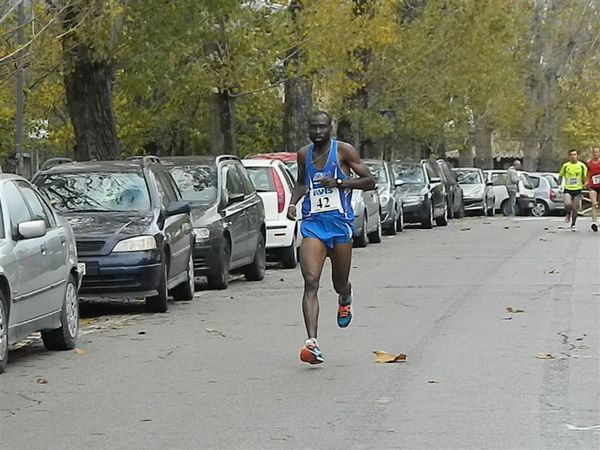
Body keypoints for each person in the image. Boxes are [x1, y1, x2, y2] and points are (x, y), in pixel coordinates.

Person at [287, 110, 375, 364]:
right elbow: (302, 183)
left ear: (330, 128)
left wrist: (339, 183)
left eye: (322, 127)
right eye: (313, 127)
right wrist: (293, 203)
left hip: (339, 226)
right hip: (313, 224)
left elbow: (370, 181)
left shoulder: (343, 151)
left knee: (339, 282)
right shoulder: (304, 154)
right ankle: (311, 343)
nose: (317, 132)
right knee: (311, 280)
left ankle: (345, 296)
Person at [558, 149, 588, 230]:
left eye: (574, 154)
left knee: (575, 208)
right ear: (569, 156)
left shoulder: (582, 166)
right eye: (571, 155)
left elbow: (585, 177)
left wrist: (585, 183)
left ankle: (573, 223)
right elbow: (560, 176)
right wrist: (559, 185)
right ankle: (567, 213)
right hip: (568, 188)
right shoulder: (565, 165)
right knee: (568, 204)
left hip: (577, 189)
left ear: (577, 156)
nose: (573, 156)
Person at [585, 147, 600, 232]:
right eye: (594, 152)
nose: (595, 154)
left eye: (597, 152)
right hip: (593, 186)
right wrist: (586, 181)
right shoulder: (589, 162)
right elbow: (587, 173)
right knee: (594, 203)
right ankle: (594, 222)